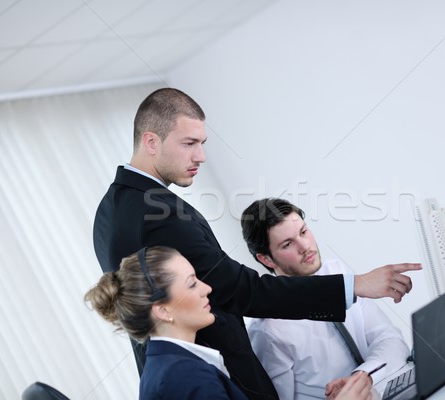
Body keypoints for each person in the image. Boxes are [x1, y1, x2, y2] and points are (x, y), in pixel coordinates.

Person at [92, 87, 421, 399]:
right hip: (215, 377)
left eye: (202, 143)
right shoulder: (156, 212)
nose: (201, 156)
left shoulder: (111, 210)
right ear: (151, 141)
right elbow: (238, 289)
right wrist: (355, 285)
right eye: (190, 143)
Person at [241, 198, 411, 400]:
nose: (304, 246)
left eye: (303, 232)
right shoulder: (268, 330)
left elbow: (391, 340)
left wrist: (363, 377)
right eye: (288, 244)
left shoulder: (337, 271)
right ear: (266, 259)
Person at [84, 246, 248, 399]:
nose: (206, 288)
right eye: (192, 284)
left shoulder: (161, 370)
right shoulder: (189, 376)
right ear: (163, 310)